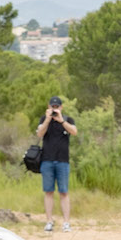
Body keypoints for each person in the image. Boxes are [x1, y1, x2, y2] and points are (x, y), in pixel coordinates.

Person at [36, 95, 76, 232]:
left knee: (64, 192)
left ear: (61, 107)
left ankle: (66, 222)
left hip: (63, 161)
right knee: (48, 191)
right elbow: (39, 134)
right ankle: (49, 221)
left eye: (56, 107)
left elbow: (74, 132)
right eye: (52, 106)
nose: (54, 109)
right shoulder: (44, 119)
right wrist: (48, 119)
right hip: (47, 160)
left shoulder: (68, 119)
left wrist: (61, 120)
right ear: (48, 107)